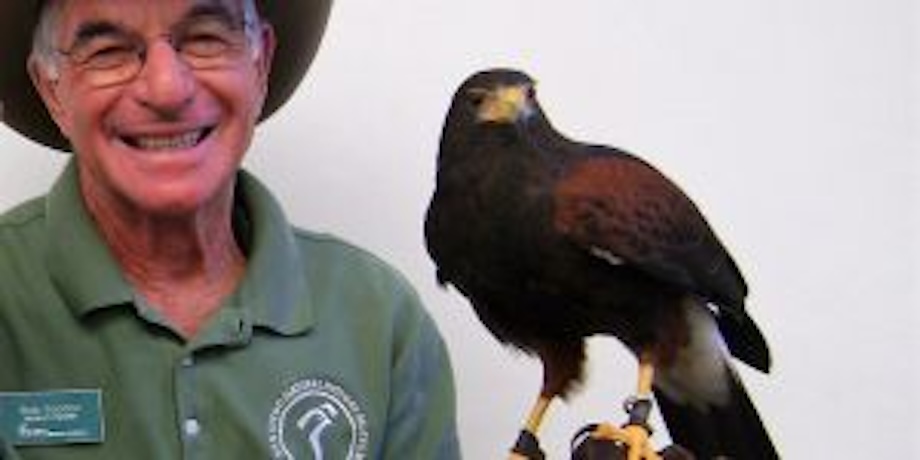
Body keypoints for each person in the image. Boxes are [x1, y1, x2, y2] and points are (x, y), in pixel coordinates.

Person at [0, 1, 460, 458]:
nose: (166, 89)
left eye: (204, 39)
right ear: (52, 90)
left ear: (260, 65)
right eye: (108, 51)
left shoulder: (379, 324)